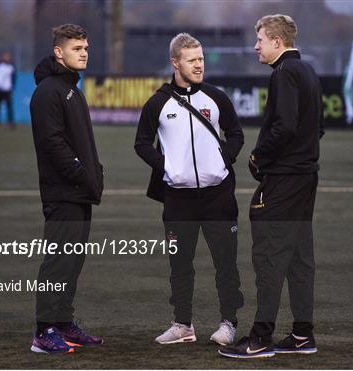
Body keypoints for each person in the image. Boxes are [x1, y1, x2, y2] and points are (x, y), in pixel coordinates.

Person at [219, 14, 324, 359]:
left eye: (260, 40)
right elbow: (317, 127)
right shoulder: (307, 70)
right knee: (299, 258)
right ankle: (302, 335)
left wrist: (258, 156)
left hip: (284, 179)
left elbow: (285, 127)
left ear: (277, 42)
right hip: (306, 177)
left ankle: (261, 338)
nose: (255, 46)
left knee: (269, 257)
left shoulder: (284, 73)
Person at [135, 33, 245, 346]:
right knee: (180, 265)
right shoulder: (157, 102)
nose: (199, 65)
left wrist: (224, 158)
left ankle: (228, 322)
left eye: (201, 59)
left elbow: (235, 133)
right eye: (192, 60)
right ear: (175, 63)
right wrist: (166, 167)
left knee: (226, 263)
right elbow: (141, 143)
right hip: (178, 199)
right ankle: (183, 324)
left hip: (218, 197)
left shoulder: (216, 97)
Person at [29, 23, 105, 354]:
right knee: (58, 260)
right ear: (59, 52)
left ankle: (63, 323)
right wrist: (79, 172)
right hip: (63, 192)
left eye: (86, 47)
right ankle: (43, 331)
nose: (84, 52)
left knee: (72, 260)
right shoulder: (48, 91)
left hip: (79, 191)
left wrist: (93, 173)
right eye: (77, 48)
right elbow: (52, 142)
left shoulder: (71, 88)